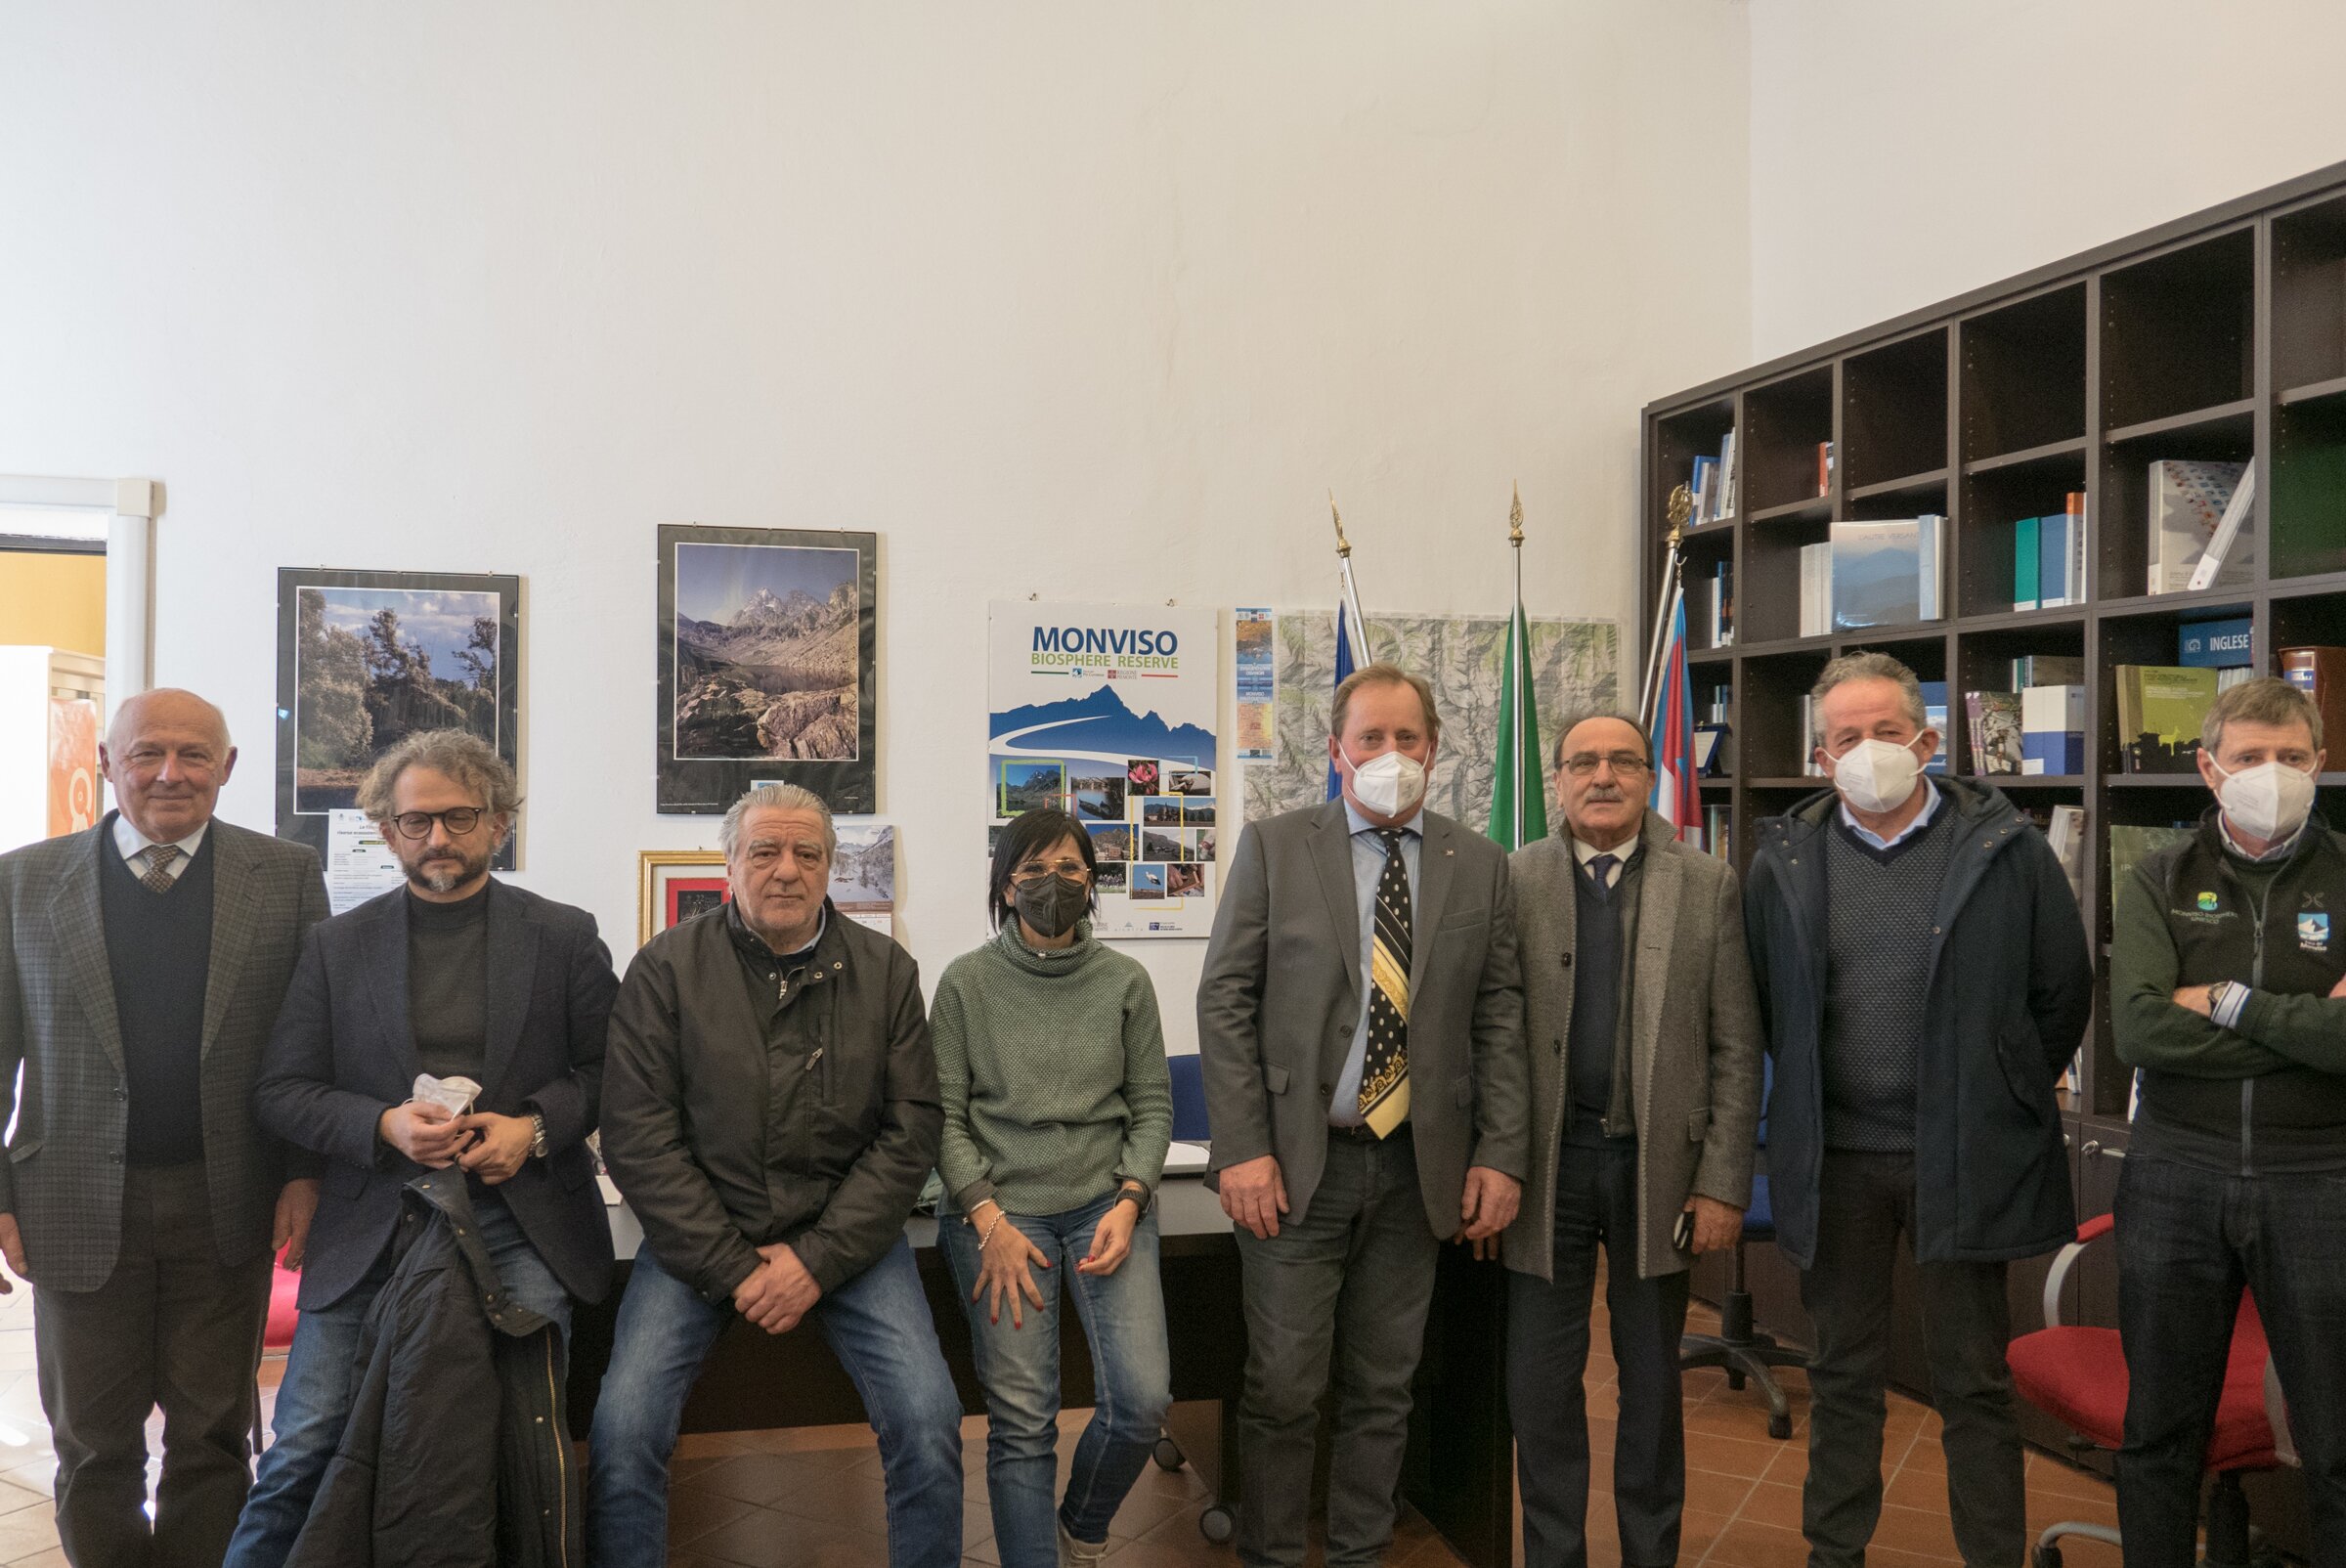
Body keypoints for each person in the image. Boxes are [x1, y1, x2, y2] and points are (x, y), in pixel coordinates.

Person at [228, 729, 617, 1565]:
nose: (437, 838)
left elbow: (613, 1070)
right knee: (304, 1444)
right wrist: (382, 1125)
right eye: (415, 822)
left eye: (459, 817)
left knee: (525, 1446)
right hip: (375, 1221)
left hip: (525, 1217)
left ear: (499, 823)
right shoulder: (337, 945)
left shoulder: (563, 935)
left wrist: (533, 1128)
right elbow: (281, 1090)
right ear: (387, 828)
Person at [1743, 651, 2093, 1568]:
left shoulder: (2006, 849)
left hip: (1961, 1157)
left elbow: (2061, 994)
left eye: (1886, 733)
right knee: (1842, 1373)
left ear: (1928, 740)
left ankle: (1992, 1557)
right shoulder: (1782, 859)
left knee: (1973, 1383)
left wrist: (1998, 1084)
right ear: (1820, 756)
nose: (1867, 752)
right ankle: (1835, 1553)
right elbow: (1764, 1003)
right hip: (1839, 1159)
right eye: (1845, 738)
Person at [1196, 661, 1528, 1568]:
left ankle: (1358, 1553)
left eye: (1407, 738)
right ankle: (1270, 1554)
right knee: (1285, 1388)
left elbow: (1500, 1017)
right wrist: (1242, 1150)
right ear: (1337, 752)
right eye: (1371, 738)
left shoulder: (1482, 864)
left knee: (1386, 1387)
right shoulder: (1274, 846)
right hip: (1297, 1168)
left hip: (1419, 1168)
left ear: (1436, 747)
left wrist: (1501, 1154)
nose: (1391, 754)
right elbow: (1225, 999)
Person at [589, 782, 962, 1568]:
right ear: (730, 863)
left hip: (848, 1241)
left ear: (833, 869)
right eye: (764, 851)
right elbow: (637, 1135)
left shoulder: (887, 972)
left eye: (807, 853)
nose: (785, 870)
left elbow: (911, 1131)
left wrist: (817, 1261)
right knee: (623, 1433)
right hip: (699, 1244)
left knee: (930, 1423)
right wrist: (732, 1269)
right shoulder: (664, 969)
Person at [0, 688, 327, 1568]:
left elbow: (311, 1042)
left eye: (192, 754)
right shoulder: (21, 880)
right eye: (146, 753)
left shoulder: (286, 878)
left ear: (227, 769)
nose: (169, 773)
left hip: (229, 1198)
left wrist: (302, 1174)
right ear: (108, 763)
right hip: (67, 1198)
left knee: (214, 1435)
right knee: (94, 1442)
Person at [1502, 712, 1762, 1568]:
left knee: (1651, 1385)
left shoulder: (1708, 881)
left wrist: (1723, 1180)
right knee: (1542, 1386)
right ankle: (1554, 1555)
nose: (1603, 776)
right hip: (1545, 1172)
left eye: (1622, 760)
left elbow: (1735, 1043)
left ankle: (1651, 1553)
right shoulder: (1517, 879)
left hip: (1659, 1170)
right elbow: (1488, 1036)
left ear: (1650, 776)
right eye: (1584, 761)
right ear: (1559, 778)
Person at [2109, 675, 2344, 1565]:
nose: (2272, 773)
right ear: (2210, 769)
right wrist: (2310, 1031)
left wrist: (2228, 1004)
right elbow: (2138, 1028)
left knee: (2338, 1444)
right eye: (2250, 757)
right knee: (2160, 1434)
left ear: (2320, 764)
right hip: (2176, 1175)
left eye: (2291, 757)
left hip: (2323, 1179)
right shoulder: (2157, 875)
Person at [931, 806, 1174, 1568]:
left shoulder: (1126, 982)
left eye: (1070, 869)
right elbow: (941, 1119)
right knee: (1024, 1420)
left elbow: (1154, 1106)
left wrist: (1132, 1198)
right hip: (1000, 1213)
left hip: (1108, 1205)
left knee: (1142, 1404)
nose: (1053, 884)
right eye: (1033, 871)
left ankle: (1083, 1523)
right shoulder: (966, 983)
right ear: (1005, 888)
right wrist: (988, 1219)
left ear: (1093, 884)